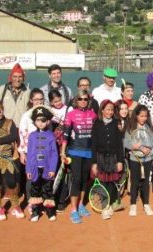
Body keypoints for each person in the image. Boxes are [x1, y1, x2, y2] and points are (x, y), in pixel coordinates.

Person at [61, 90, 97, 224]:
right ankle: (73, 210)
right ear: (76, 100)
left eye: (85, 99)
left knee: (84, 180)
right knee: (76, 180)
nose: (83, 101)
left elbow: (95, 135)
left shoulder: (93, 114)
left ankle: (81, 205)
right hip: (75, 151)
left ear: (88, 101)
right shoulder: (71, 114)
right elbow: (66, 135)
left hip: (88, 153)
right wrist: (63, 152)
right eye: (80, 99)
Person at [90, 100, 124, 220]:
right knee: (103, 183)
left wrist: (120, 161)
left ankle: (109, 204)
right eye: (107, 109)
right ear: (102, 110)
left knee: (111, 183)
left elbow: (120, 144)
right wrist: (94, 163)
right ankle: (104, 207)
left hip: (114, 158)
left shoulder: (116, 123)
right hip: (100, 158)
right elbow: (93, 144)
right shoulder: (97, 124)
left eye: (111, 109)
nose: (109, 112)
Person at [123, 105, 153, 217]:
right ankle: (133, 204)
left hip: (148, 160)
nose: (143, 118)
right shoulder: (130, 127)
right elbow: (126, 143)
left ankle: (146, 204)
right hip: (134, 159)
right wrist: (138, 147)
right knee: (135, 181)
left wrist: (147, 147)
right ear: (136, 116)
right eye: (141, 116)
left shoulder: (149, 127)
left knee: (146, 182)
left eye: (145, 116)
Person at [26, 106, 58, 222]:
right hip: (35, 169)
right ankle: (35, 212)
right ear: (34, 121)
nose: (40, 123)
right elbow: (29, 154)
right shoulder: (32, 136)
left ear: (48, 121)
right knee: (35, 190)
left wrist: (52, 169)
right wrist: (28, 170)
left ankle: (50, 212)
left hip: (47, 168)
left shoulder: (50, 135)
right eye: (38, 120)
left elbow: (54, 154)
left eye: (43, 120)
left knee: (48, 190)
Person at [0, 63, 31, 128]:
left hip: (21, 127)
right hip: (5, 127)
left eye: (20, 77)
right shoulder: (2, 89)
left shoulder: (27, 91)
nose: (17, 79)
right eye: (15, 76)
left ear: (23, 78)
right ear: (11, 77)